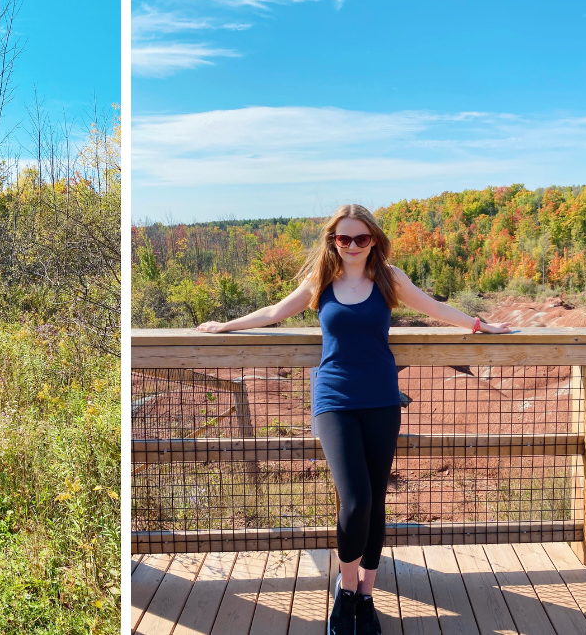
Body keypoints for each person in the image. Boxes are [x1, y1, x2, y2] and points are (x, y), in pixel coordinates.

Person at [197, 204, 510, 635]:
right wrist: (224, 326)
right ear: (333, 241)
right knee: (356, 500)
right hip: (334, 400)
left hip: (381, 398)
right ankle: (345, 596)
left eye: (361, 238)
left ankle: (366, 596)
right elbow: (273, 312)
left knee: (376, 501)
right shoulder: (320, 281)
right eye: (343, 239)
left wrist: (480, 324)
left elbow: (435, 308)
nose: (352, 246)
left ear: (374, 240)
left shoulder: (389, 277)